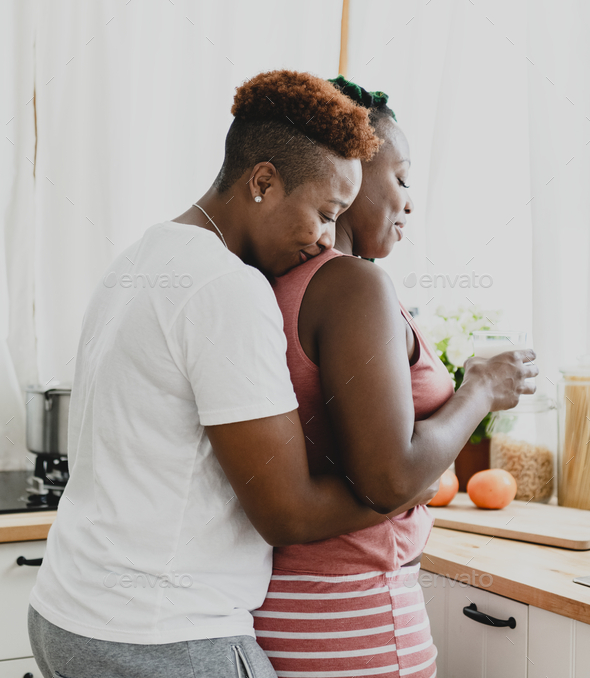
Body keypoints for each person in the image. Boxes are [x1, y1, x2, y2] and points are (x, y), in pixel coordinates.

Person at [28, 70, 405, 678]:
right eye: (325, 213)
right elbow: (289, 514)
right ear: (263, 181)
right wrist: (405, 487)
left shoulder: (139, 257)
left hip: (68, 616)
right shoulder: (228, 288)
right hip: (161, 640)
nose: (329, 240)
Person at [253, 76, 538, 678]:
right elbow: (388, 478)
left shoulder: (279, 284)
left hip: (279, 611)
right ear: (347, 171)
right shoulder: (353, 285)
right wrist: (480, 388)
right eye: (403, 179)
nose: (411, 201)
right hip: (355, 617)